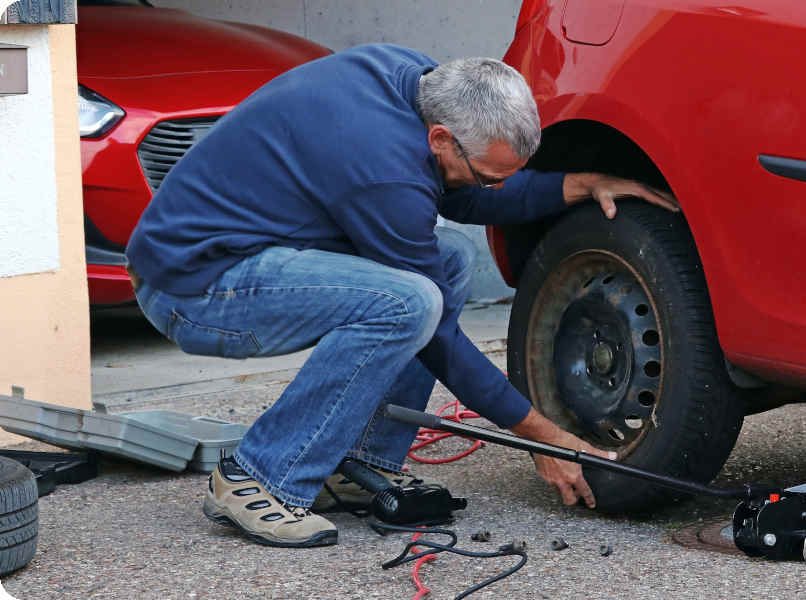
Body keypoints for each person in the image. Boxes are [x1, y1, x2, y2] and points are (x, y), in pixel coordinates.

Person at [124, 44, 677, 548]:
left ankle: (360, 460)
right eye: (485, 175)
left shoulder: (414, 83)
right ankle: (260, 476)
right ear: (440, 138)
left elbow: (462, 196)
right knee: (408, 303)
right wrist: (541, 434)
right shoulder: (380, 167)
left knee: (450, 260)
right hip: (195, 288)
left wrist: (579, 184)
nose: (487, 187)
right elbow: (436, 338)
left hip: (249, 255)